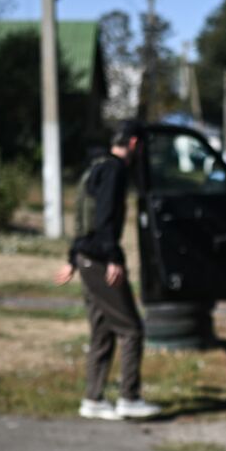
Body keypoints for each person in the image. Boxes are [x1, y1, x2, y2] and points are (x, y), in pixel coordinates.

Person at [55, 120, 161, 420]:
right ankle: (129, 397)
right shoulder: (115, 171)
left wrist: (73, 256)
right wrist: (114, 258)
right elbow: (103, 220)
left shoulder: (97, 166)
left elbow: (83, 219)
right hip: (100, 260)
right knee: (131, 329)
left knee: (102, 330)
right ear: (134, 144)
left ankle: (93, 399)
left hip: (87, 257)